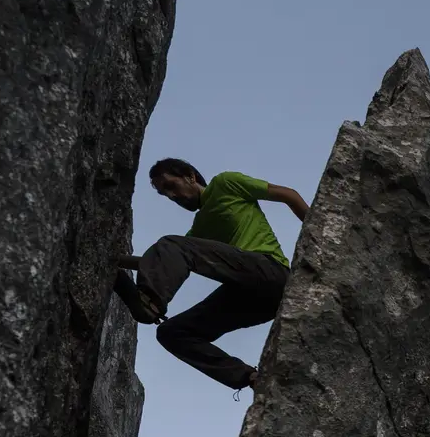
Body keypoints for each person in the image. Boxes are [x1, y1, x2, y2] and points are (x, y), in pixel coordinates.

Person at [113, 158, 310, 390]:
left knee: (173, 244)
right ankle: (250, 378)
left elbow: (289, 195)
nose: (172, 196)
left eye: (171, 186)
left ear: (190, 176)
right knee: (171, 333)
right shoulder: (199, 229)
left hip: (270, 272)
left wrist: (319, 237)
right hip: (253, 298)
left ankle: (149, 301)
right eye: (165, 195)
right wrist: (113, 260)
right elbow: (162, 260)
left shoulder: (226, 183)